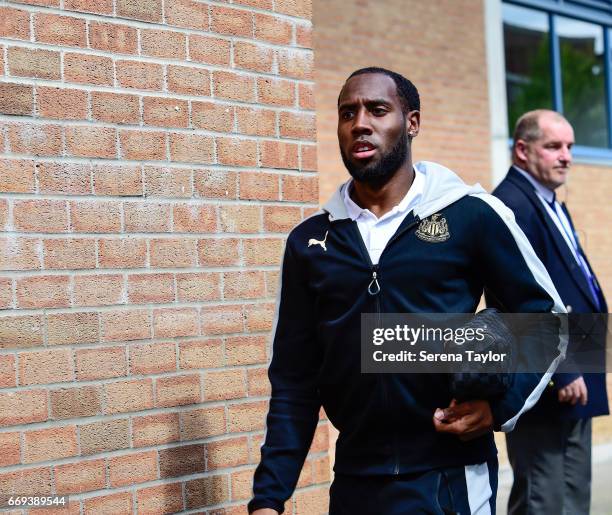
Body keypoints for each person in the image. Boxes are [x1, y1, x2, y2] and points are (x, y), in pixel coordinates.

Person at [248, 68, 566, 515]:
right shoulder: (310, 242)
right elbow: (294, 379)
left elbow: (549, 322)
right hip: (356, 482)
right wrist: (269, 498)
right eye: (347, 112)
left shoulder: (470, 215)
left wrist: (499, 409)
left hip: (450, 478)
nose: (361, 122)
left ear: (411, 122)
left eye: (378, 110)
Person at [492, 109, 609, 514]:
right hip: (550, 371)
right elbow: (514, 299)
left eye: (571, 147)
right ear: (522, 150)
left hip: (579, 360)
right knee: (543, 493)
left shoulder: (549, 201)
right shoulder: (511, 204)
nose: (566, 156)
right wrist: (563, 368)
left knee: (574, 489)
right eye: (553, 146)